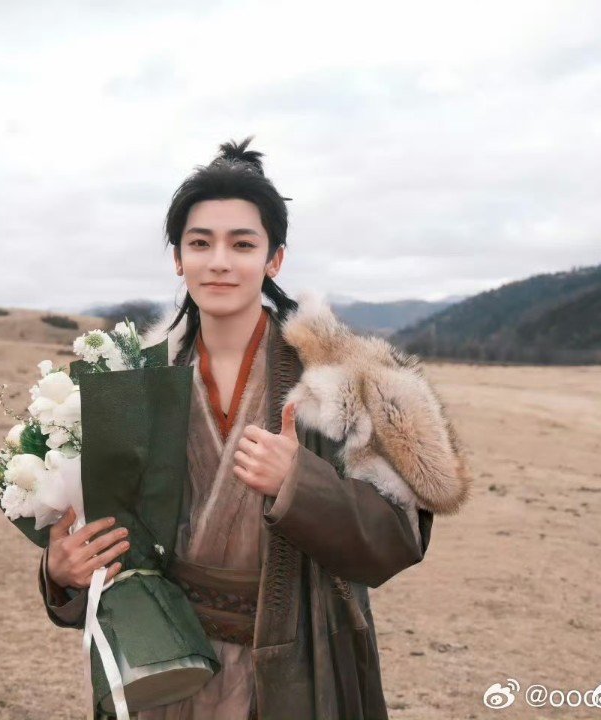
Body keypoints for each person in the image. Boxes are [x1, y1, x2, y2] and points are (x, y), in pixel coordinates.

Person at [38, 136, 472, 719]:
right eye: (200, 243)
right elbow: (108, 534)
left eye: (242, 244)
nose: (220, 261)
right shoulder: (132, 381)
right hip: (166, 664)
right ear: (178, 258)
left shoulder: (340, 381)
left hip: (303, 667)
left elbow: (399, 539)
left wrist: (301, 483)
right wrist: (62, 573)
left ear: (274, 260)